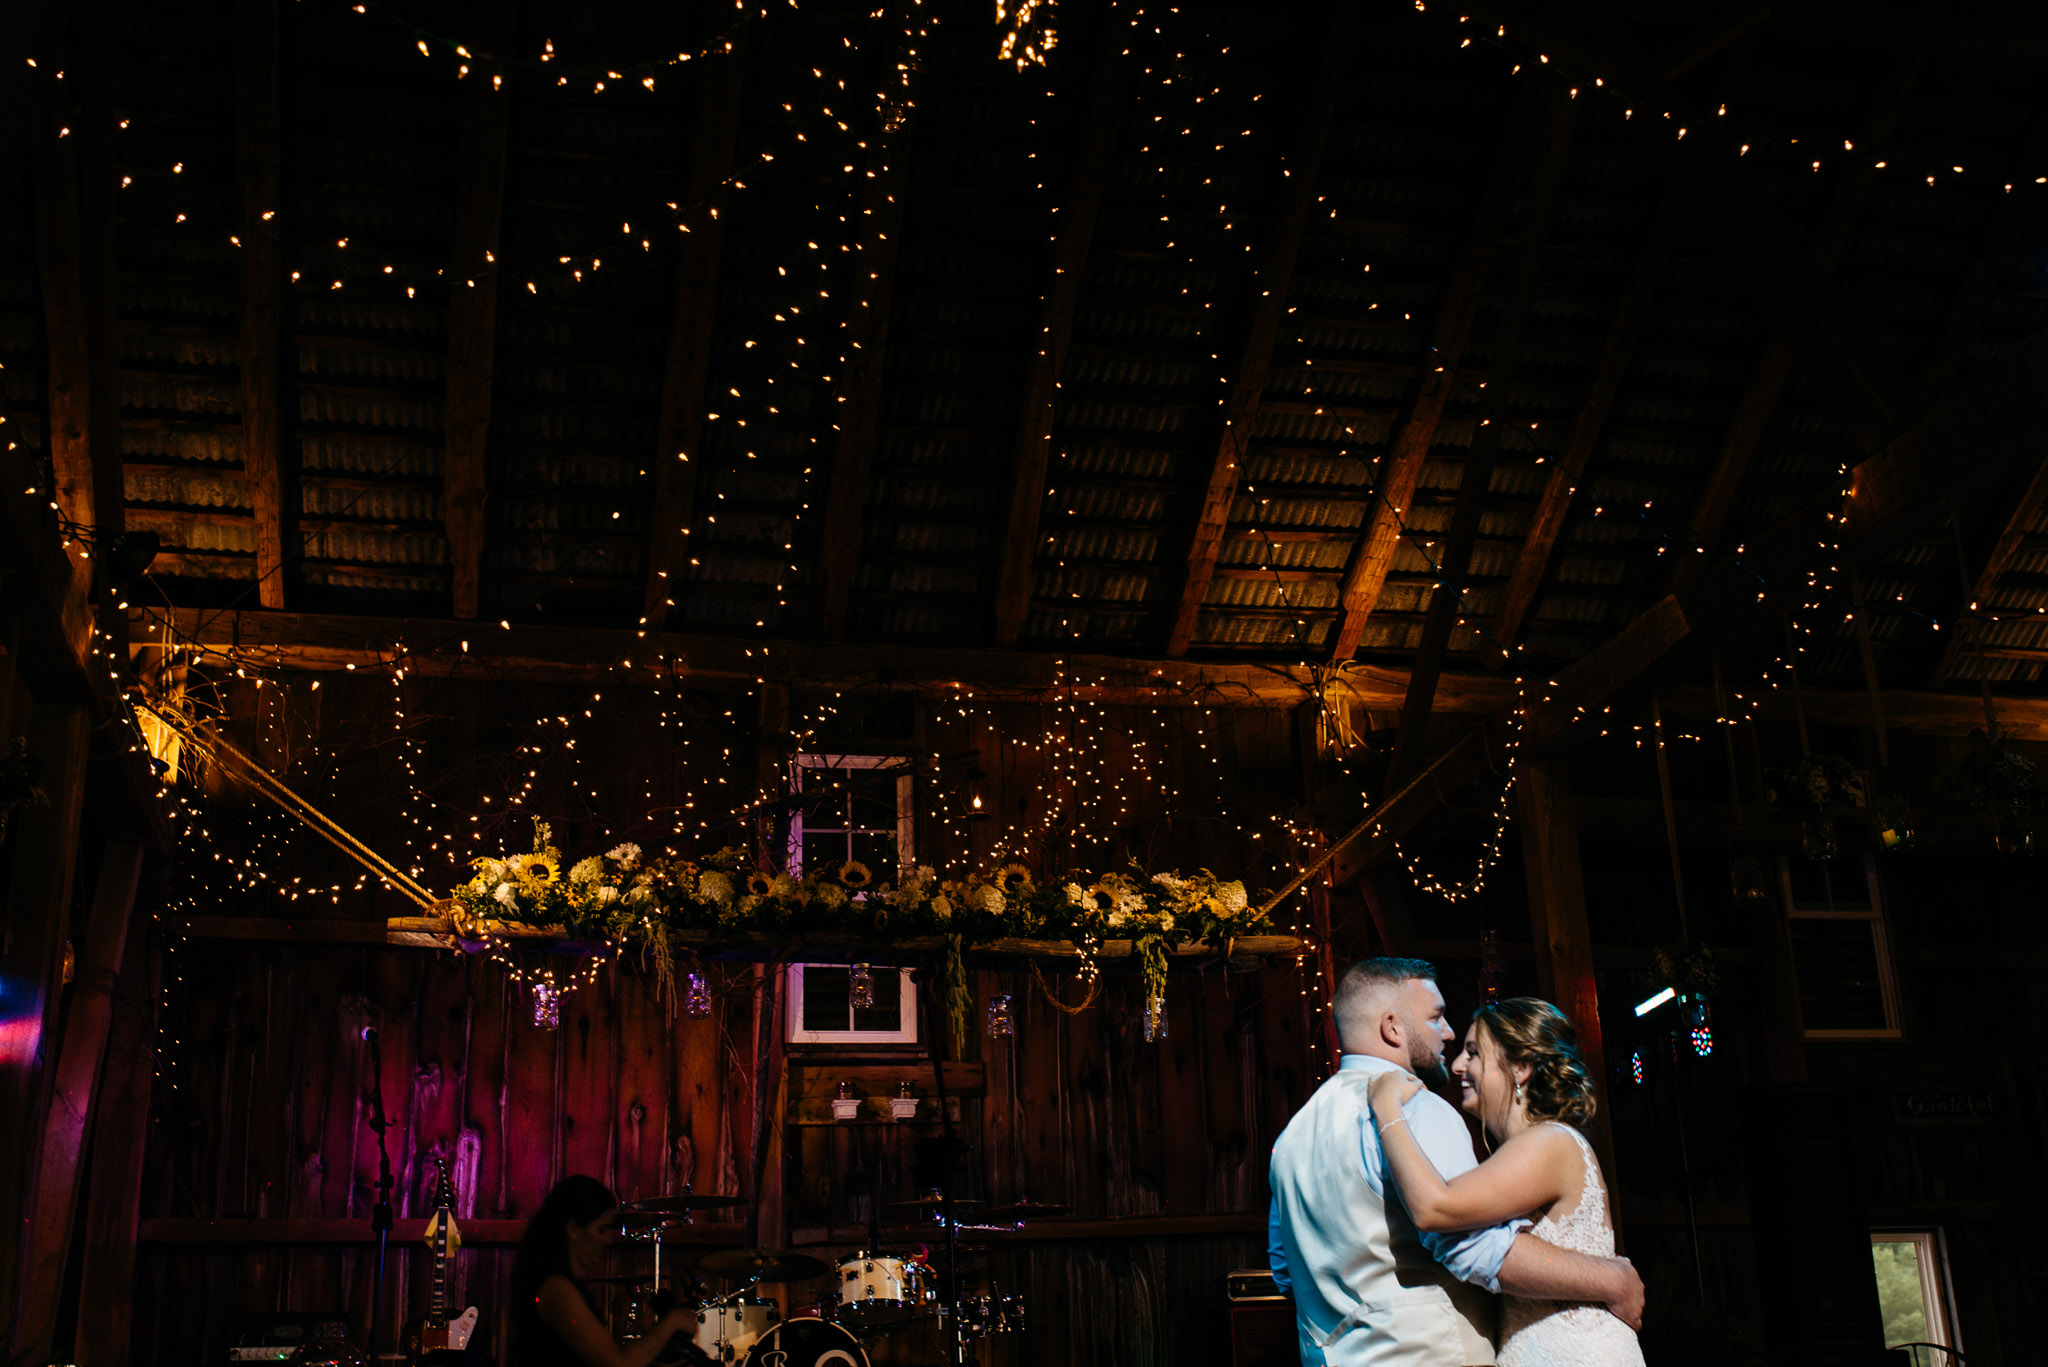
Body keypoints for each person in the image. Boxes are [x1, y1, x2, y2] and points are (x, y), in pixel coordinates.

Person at [1268, 958, 1643, 1366]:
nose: (1447, 1036)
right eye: (1436, 1018)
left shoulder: (1293, 1134)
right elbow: (1473, 1245)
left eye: (1474, 1052)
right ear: (1392, 1027)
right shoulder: (1417, 1108)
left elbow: (1286, 1270)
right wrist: (1612, 1279)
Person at [1367, 998, 1644, 1367]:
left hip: (1576, 1353)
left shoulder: (1549, 1141)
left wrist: (1387, 1109)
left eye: (1474, 1053)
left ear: (1521, 1068)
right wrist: (1611, 1279)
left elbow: (1435, 1207)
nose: (1458, 1065)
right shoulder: (1530, 1147)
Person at [509, 1175, 699, 1367]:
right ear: (574, 1229)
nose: (608, 1239)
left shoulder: (560, 1284)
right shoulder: (557, 1289)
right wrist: (670, 1323)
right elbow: (615, 1363)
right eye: (601, 1230)